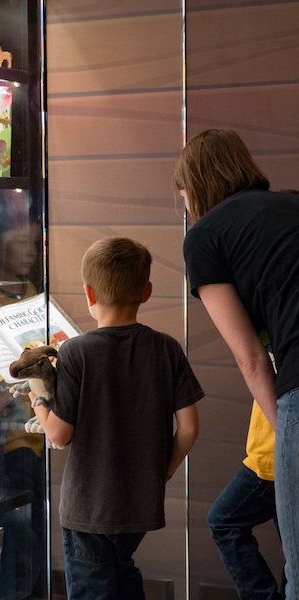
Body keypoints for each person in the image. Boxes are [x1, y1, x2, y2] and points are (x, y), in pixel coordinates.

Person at [32, 236, 204, 600]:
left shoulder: (76, 352)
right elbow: (189, 427)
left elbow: (59, 436)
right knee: (123, 572)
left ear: (89, 294)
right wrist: (164, 472)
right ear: (147, 291)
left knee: (96, 586)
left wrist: (37, 400)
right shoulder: (166, 347)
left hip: (88, 509)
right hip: (140, 504)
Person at [172, 128, 299, 599]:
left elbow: (249, 358)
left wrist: (283, 429)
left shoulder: (205, 238)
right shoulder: (291, 204)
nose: (183, 203)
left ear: (196, 186)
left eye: (182, 192)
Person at [208, 399, 284, 599]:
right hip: (279, 451)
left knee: (222, 521)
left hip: (272, 455)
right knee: (292, 551)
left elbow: (250, 366)